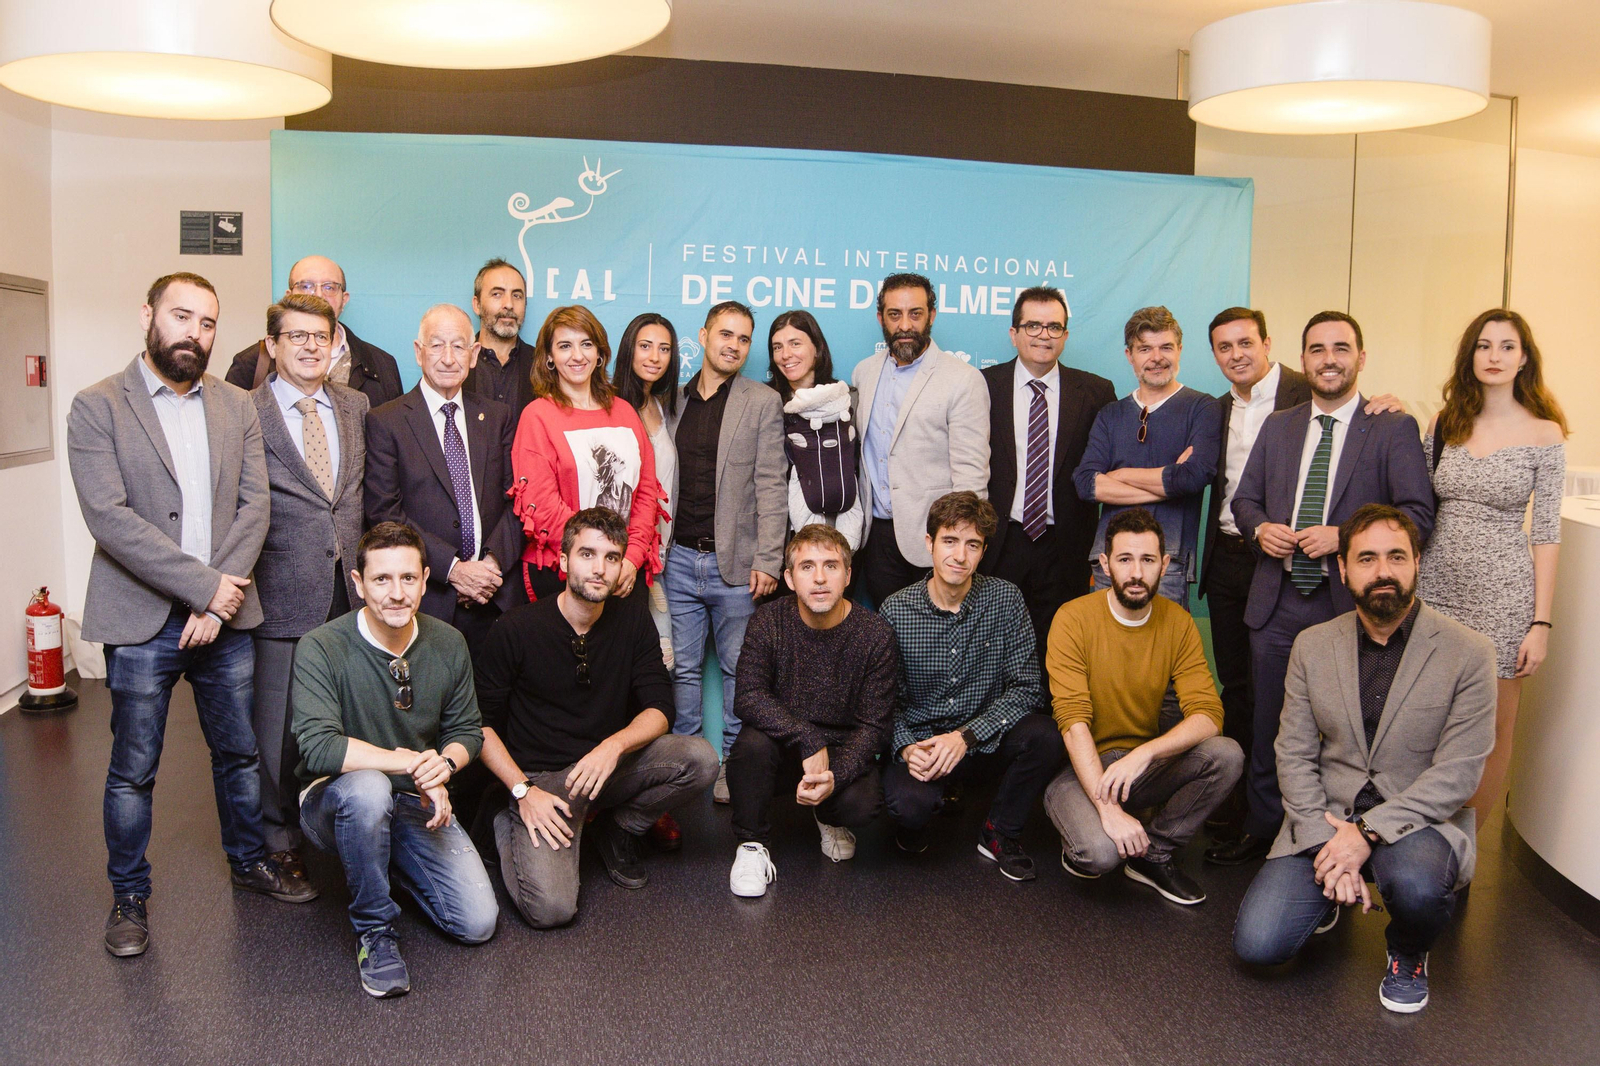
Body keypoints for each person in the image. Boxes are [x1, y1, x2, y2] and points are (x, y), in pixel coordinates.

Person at [67, 272, 315, 959]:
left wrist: (219, 598)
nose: (195, 334)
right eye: (182, 316)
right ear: (147, 314)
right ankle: (128, 895)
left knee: (239, 755)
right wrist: (205, 589)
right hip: (142, 621)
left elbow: (255, 506)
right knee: (133, 769)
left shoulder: (237, 406)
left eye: (207, 323)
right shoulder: (97, 406)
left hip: (226, 622)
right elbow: (110, 519)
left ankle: (248, 861)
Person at [1233, 505, 1496, 1015]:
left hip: (1417, 822)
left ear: (1417, 562)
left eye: (1397, 557)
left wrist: (1367, 833)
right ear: (1344, 569)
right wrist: (1326, 841)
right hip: (1328, 816)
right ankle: (1329, 892)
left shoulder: (1469, 653)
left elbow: (1458, 773)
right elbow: (1293, 752)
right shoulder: (1312, 646)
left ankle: (1408, 951)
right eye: (1367, 558)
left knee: (1419, 891)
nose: (1383, 571)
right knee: (1258, 945)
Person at [1208, 311, 1435, 866]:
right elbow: (1245, 499)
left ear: (1361, 357)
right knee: (1270, 723)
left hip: (1351, 607)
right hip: (1277, 600)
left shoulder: (1391, 428)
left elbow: (1417, 514)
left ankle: (1336, 834)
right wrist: (1261, 529)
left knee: (1346, 731)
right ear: (1302, 359)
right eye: (1317, 349)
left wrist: (1345, 536)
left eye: (1341, 348)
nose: (1329, 359)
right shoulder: (1279, 425)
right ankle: (1265, 829)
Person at [473, 509, 719, 927]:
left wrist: (613, 746)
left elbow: (661, 707)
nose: (599, 568)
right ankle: (505, 818)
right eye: (587, 554)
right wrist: (521, 791)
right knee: (551, 910)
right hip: (541, 782)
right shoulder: (516, 628)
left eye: (611, 557)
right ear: (564, 560)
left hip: (604, 770)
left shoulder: (632, 619)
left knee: (701, 759)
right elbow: (479, 726)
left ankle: (618, 827)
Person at [291, 522, 498, 998]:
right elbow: (319, 747)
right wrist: (411, 764)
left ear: (425, 580)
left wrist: (443, 766)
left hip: (412, 800)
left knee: (477, 923)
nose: (397, 593)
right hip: (335, 799)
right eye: (381, 579)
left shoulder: (449, 642)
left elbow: (467, 732)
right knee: (369, 789)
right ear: (359, 583)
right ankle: (375, 930)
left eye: (408, 578)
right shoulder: (321, 646)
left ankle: (385, 858)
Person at [1044, 507, 1242, 905]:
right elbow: (1073, 721)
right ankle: (1091, 829)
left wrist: (1145, 754)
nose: (1136, 573)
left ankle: (1154, 852)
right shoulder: (1073, 618)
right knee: (1099, 855)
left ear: (1165, 565)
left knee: (1227, 754)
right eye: (1125, 559)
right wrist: (1107, 809)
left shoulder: (1178, 622)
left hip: (1140, 768)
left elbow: (1209, 714)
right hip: (1082, 769)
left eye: (1148, 560)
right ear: (1105, 564)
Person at [1420, 309, 1567, 818]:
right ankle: (1419, 835)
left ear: (1524, 358)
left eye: (1507, 347)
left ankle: (1464, 847)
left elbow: (1546, 533)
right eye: (1484, 346)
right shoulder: (1444, 424)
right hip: (1435, 588)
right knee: (1429, 719)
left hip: (1504, 597)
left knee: (1494, 729)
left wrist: (1540, 624)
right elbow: (1418, 506)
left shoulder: (1546, 434)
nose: (1495, 356)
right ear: (1470, 355)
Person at [247, 292, 369, 881]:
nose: (310, 346)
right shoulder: (245, 411)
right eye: (296, 336)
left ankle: (338, 826)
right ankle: (276, 839)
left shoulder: (356, 405)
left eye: (321, 336)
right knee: (276, 730)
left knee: (345, 718)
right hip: (279, 591)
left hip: (349, 593)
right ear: (272, 345)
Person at [879, 492, 1063, 882]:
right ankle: (923, 814)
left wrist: (965, 736)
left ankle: (1000, 832)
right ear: (929, 543)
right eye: (949, 541)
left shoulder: (1006, 599)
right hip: (924, 745)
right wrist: (907, 747)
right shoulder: (896, 609)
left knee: (1046, 735)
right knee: (909, 807)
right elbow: (881, 702)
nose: (960, 555)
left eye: (973, 544)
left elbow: (1027, 688)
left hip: (983, 743)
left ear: (983, 552)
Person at [726, 525, 898, 897]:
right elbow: (748, 696)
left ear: (848, 575)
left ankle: (827, 813)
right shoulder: (769, 621)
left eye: (830, 566)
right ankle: (751, 845)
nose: (819, 578)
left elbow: (875, 727)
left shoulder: (876, 635)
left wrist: (835, 776)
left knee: (863, 806)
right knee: (749, 747)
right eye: (807, 567)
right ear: (789, 578)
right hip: (782, 745)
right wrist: (807, 737)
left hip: (840, 749)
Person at [663, 301, 788, 803]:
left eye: (743, 339)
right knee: (683, 669)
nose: (734, 346)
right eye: (725, 334)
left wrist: (769, 558)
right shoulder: (671, 400)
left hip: (735, 563)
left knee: (739, 671)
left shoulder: (762, 401)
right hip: (676, 559)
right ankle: (686, 765)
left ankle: (733, 769)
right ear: (704, 336)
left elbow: (772, 484)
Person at [1196, 307, 1311, 836]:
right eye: (1224, 347)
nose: (1236, 354)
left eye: (1245, 342)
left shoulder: (1306, 392)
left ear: (1267, 343)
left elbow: (1357, 422)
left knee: (1283, 688)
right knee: (1236, 683)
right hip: (1226, 556)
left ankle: (1282, 806)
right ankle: (1237, 797)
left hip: (1285, 560)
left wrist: (1387, 403)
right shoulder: (1215, 409)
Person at [364, 304, 522, 651]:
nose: (448, 358)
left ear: (474, 354)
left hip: (495, 597)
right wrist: (454, 570)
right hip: (430, 599)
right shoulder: (386, 421)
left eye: (459, 346)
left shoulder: (497, 417)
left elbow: (518, 501)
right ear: (418, 352)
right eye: (436, 345)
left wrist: (490, 566)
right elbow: (385, 513)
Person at [980, 285, 1115, 663]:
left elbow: (1109, 466)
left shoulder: (1096, 391)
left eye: (1054, 327)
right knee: (994, 646)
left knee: (1059, 649)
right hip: (1001, 539)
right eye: (1033, 326)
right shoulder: (984, 385)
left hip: (1066, 543)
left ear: (1065, 335)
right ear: (1014, 333)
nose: (1044, 335)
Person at [852, 273, 990, 607]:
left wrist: (960, 545)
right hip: (875, 537)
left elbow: (972, 474)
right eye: (894, 314)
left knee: (938, 632)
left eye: (915, 313)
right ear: (880, 318)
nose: (905, 325)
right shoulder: (863, 372)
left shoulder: (963, 379)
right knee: (886, 630)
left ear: (932, 315)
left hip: (935, 538)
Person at [509, 305, 661, 604]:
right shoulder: (537, 415)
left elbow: (646, 493)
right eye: (565, 346)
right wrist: (599, 560)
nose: (577, 356)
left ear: (600, 353)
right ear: (549, 357)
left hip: (624, 572)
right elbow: (542, 506)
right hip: (562, 573)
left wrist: (629, 558)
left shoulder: (624, 412)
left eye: (586, 344)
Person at [1072, 305, 1221, 609]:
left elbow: (1193, 477)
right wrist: (1170, 484)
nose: (1156, 358)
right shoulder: (1110, 414)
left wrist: (1121, 475)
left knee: (1162, 641)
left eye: (1166, 347)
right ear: (1130, 355)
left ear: (1179, 350)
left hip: (1169, 561)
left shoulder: (1202, 408)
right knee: (1107, 640)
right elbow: (1086, 484)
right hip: (1108, 561)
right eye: (1145, 349)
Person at [614, 312, 687, 849]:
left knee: (654, 673)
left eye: (664, 348)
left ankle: (645, 795)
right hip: (619, 560)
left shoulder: (666, 407)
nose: (655, 357)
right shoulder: (610, 405)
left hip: (660, 559)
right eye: (645, 346)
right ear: (628, 349)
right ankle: (605, 795)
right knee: (615, 676)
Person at [224, 255, 403, 406]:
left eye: (329, 287)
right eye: (306, 286)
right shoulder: (251, 363)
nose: (318, 295)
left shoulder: (381, 365)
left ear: (344, 299)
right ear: (289, 296)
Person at [768, 309, 864, 548]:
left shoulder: (848, 400)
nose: (785, 355)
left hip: (841, 534)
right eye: (777, 347)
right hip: (784, 536)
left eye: (795, 343)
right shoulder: (768, 403)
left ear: (817, 348)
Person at [464, 257, 538, 419]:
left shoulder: (541, 363)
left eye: (517, 295)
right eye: (497, 294)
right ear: (477, 305)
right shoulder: (457, 361)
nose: (509, 304)